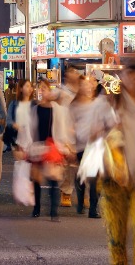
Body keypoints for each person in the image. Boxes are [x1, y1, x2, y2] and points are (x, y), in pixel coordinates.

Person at [93, 62, 135, 265]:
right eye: (130, 73)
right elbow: (96, 136)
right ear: (123, 76)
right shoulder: (110, 102)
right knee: (117, 235)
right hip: (115, 179)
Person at [17, 78, 74, 222]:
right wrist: (24, 146)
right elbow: (28, 129)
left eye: (44, 88)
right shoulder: (35, 109)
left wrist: (66, 145)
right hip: (37, 146)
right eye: (40, 88)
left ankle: (53, 211)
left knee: (53, 178)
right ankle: (37, 208)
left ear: (50, 90)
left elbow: (62, 127)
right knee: (36, 178)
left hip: (53, 146)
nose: (42, 91)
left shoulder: (58, 109)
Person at [70, 75, 100, 218]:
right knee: (82, 178)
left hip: (94, 147)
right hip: (80, 147)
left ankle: (93, 209)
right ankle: (81, 203)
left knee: (94, 178)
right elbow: (68, 124)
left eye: (87, 85)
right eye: (82, 85)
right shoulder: (74, 105)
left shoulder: (95, 104)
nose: (86, 87)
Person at [58, 66, 82, 207]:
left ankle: (82, 193)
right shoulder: (62, 93)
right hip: (66, 133)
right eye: (71, 72)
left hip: (81, 134)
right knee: (66, 166)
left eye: (75, 72)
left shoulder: (82, 91)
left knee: (81, 165)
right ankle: (66, 192)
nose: (74, 74)